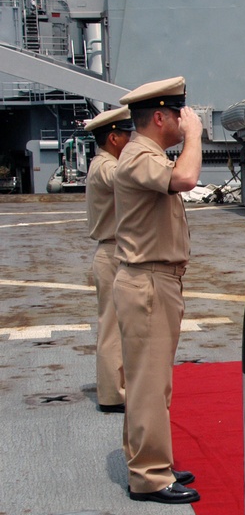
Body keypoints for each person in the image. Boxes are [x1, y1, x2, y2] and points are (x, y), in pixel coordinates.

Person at [114, 76, 202, 504]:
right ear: (161, 118)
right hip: (147, 280)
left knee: (155, 381)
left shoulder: (147, 157)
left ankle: (153, 459)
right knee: (148, 383)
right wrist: (195, 136)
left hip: (157, 279)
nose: (186, 121)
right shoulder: (138, 156)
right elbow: (185, 178)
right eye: (180, 115)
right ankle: (149, 475)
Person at [84, 107, 133, 413]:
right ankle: (113, 395)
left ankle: (122, 387)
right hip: (113, 252)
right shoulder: (105, 166)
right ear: (114, 138)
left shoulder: (103, 162)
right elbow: (125, 178)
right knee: (113, 327)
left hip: (117, 251)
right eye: (128, 135)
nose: (132, 140)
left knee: (120, 326)